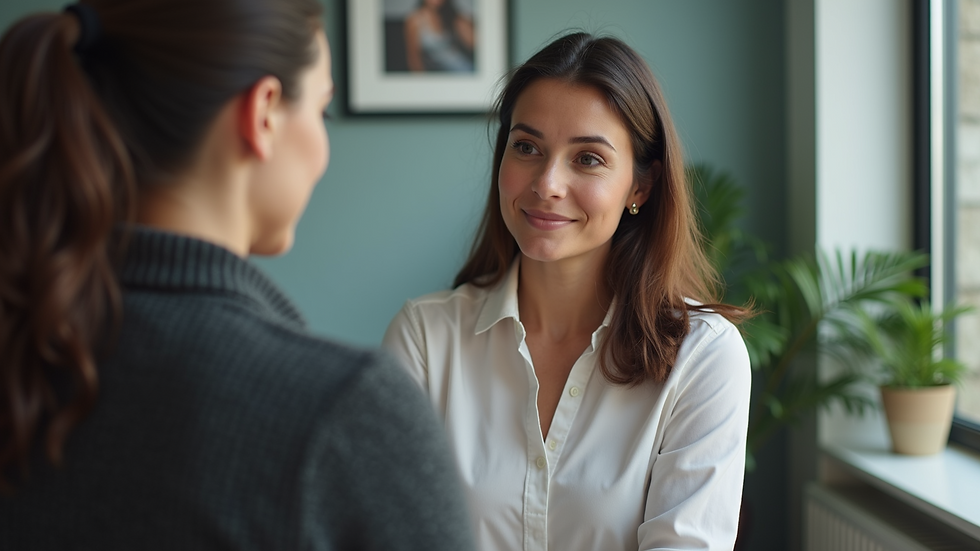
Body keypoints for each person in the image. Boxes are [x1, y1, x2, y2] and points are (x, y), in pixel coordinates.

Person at [0, 2, 475, 550]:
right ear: (264, 113)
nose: (323, 147)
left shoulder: (27, 349)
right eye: (321, 109)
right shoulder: (344, 415)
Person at [383, 32, 752, 550]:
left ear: (641, 186)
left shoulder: (703, 358)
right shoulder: (424, 338)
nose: (547, 183)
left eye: (588, 159)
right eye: (527, 147)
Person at [404, 0, 475, 73]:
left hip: (464, 71)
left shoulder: (453, 16)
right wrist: (422, 82)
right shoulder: (415, 20)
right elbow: (414, 59)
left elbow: (474, 43)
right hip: (438, 78)